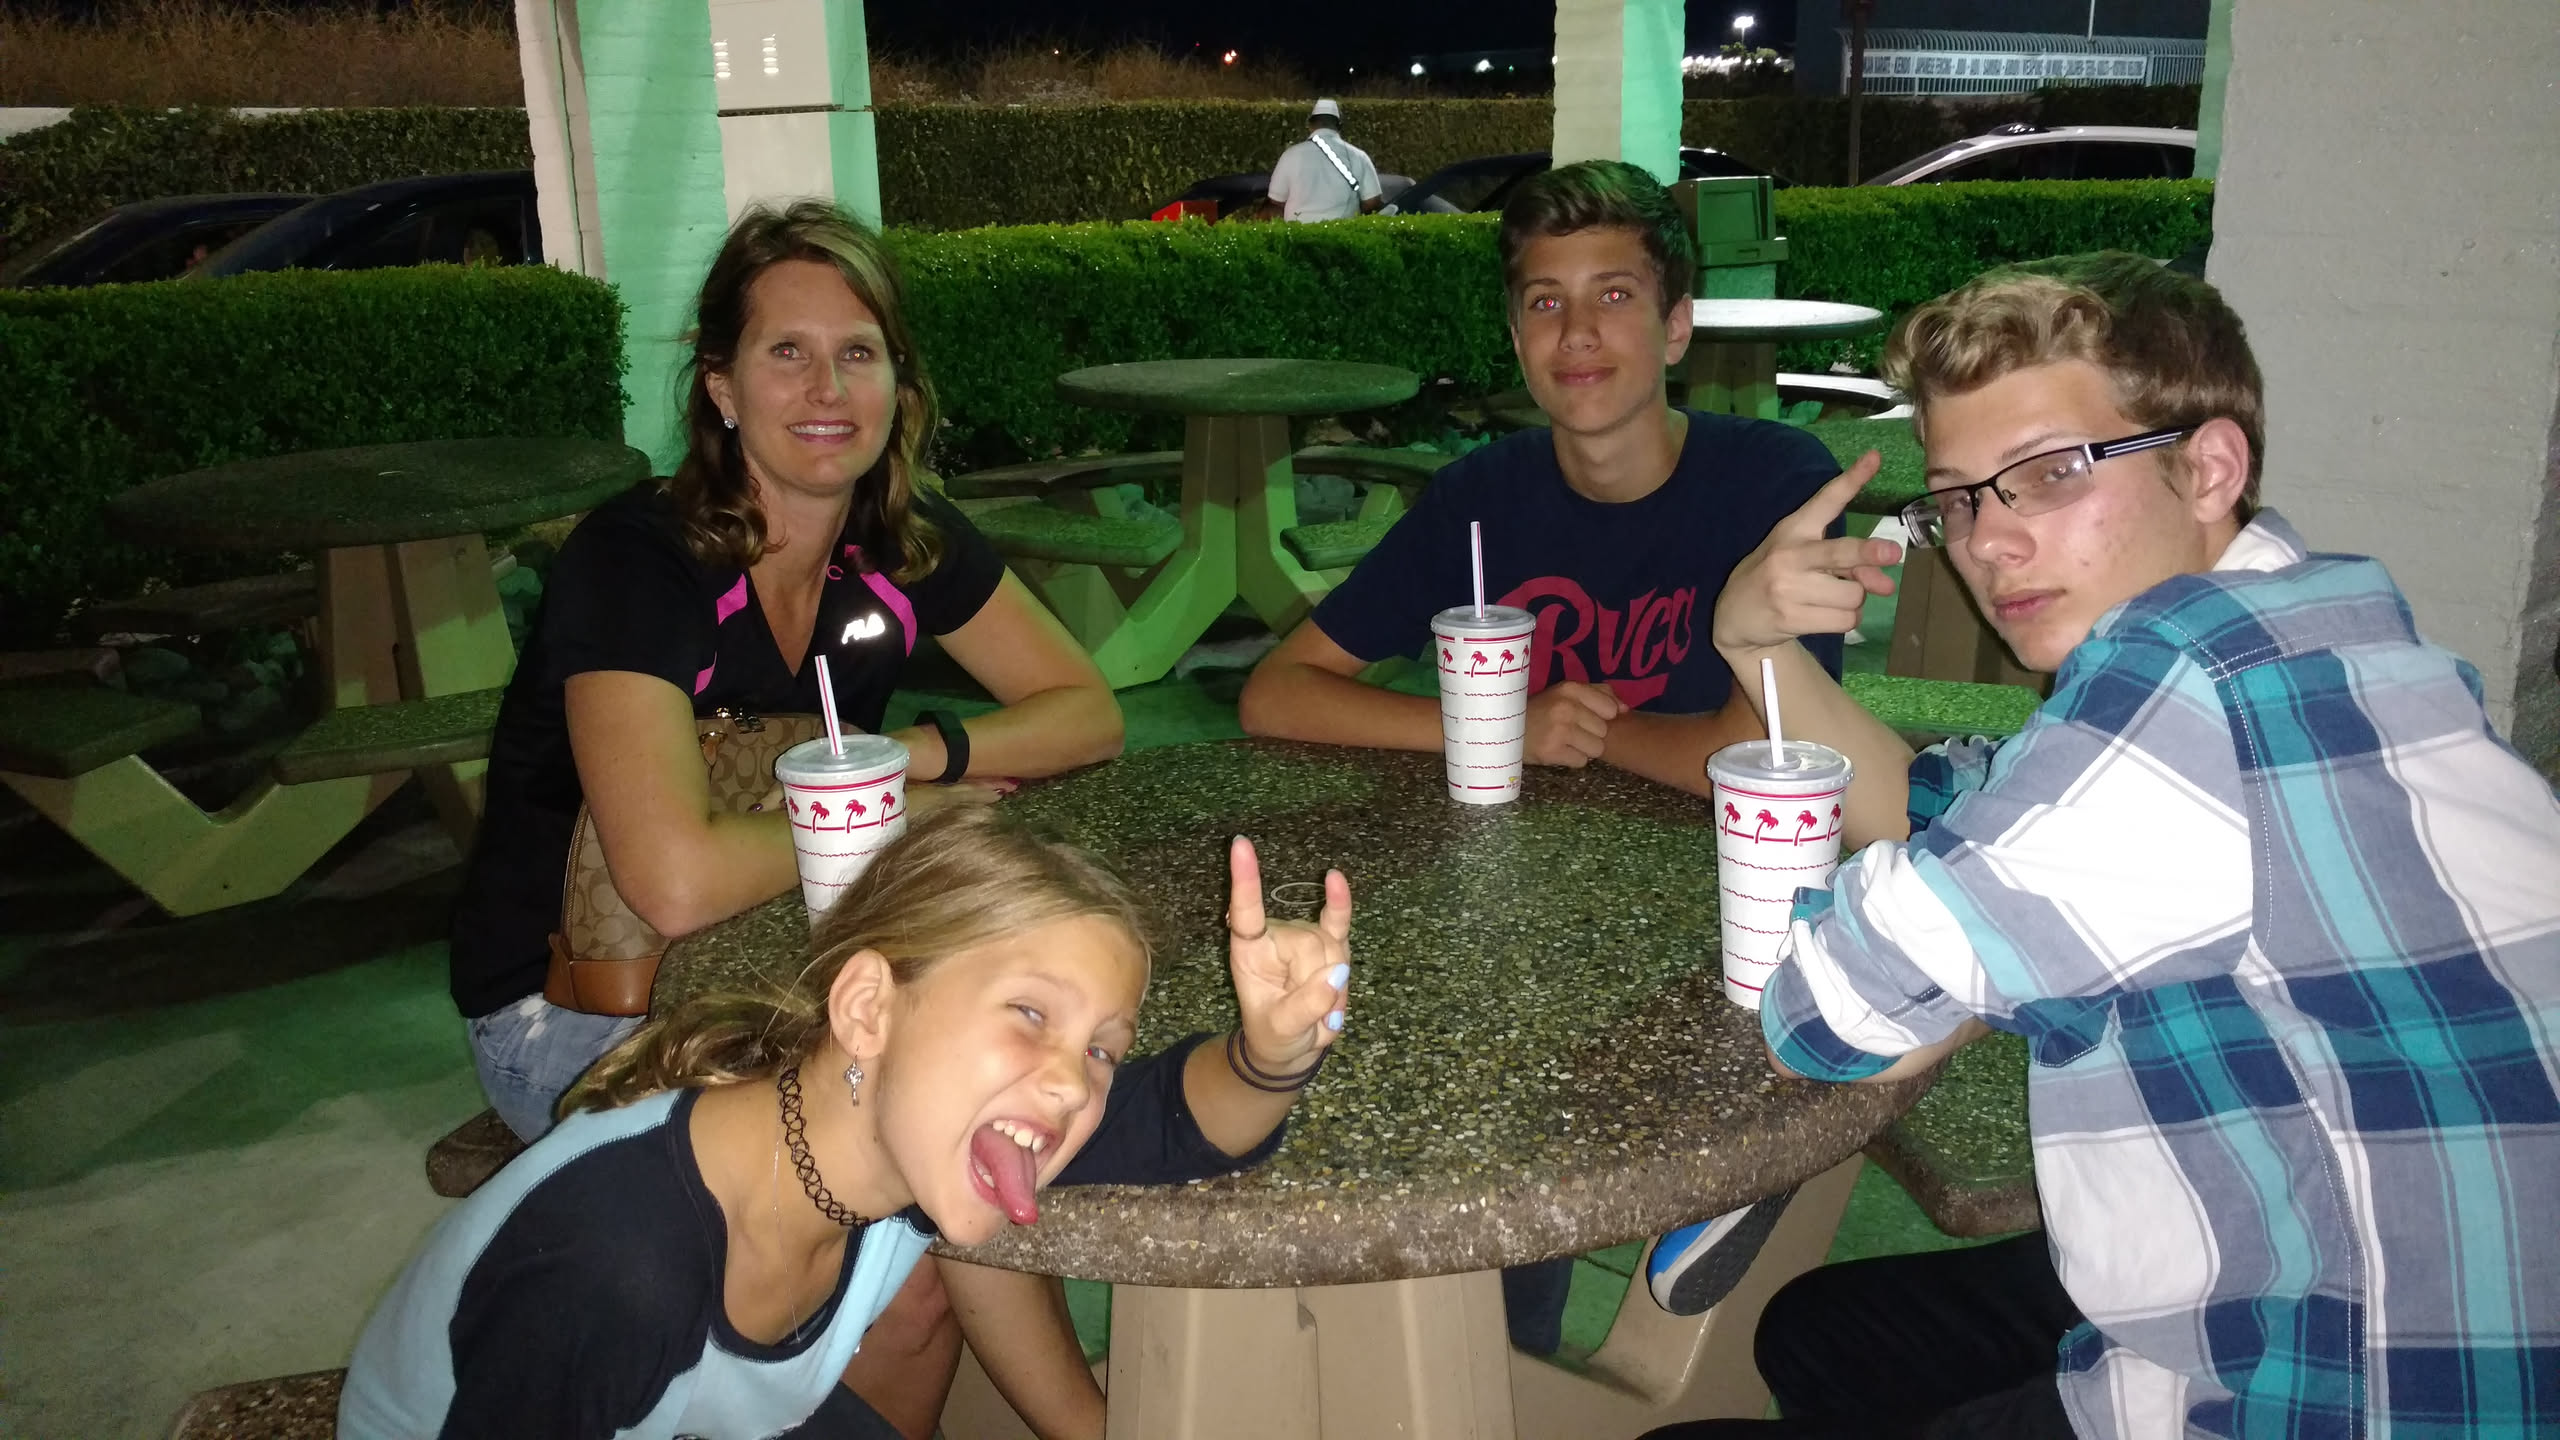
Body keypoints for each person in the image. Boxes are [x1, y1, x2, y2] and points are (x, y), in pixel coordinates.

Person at [1642, 253, 2560, 1437]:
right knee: (1820, 1335)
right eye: (1961, 498)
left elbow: (1831, 1017)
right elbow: (1945, 818)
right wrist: (1754, 647)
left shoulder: (2191, 684)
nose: (1989, 542)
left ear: (2209, 466)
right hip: (2378, 1273)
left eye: (2048, 474)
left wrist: (1955, 961)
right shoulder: (2303, 630)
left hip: (2344, 1386)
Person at [443, 200, 1126, 1439]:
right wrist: (914, 810)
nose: (826, 389)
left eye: (858, 352)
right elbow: (674, 880)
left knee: (983, 1098)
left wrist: (916, 754)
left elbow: (1086, 712)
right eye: (785, 353)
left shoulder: (901, 544)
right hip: (574, 1004)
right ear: (720, 386)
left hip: (784, 963)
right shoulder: (638, 560)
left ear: (898, 383)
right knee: (913, 1244)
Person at [1239, 157, 1843, 1354]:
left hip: (1703, 918)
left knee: (1520, 1134)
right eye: (1543, 302)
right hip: (1496, 906)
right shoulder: (1478, 496)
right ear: (1515, 336)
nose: (1576, 334)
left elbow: (1769, 749)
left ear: (1676, 327)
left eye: (1615, 296)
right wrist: (1497, 734)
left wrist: (1593, 742)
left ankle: (1512, 1350)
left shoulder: (1773, 483)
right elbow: (1276, 692)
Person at [344, 808, 1353, 1439]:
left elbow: (1176, 1120)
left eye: (1100, 1048)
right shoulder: (618, 1268)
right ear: (868, 1007)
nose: (1069, 1084)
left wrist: (1274, 1053)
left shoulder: (892, 1123)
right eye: (1029, 1014)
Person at [1262, 98, 1382, 222]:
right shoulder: (1359, 156)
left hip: (1298, 231)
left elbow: (1276, 201)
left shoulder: (1290, 155)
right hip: (1343, 230)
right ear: (1339, 126)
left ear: (1310, 125)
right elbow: (1372, 202)